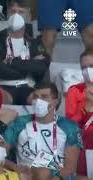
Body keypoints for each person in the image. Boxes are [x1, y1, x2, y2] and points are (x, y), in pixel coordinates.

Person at [4, 82, 83, 179]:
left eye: (44, 97)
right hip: (27, 175)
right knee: (41, 172)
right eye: (36, 97)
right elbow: (0, 154)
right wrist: (15, 168)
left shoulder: (69, 127)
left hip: (58, 177)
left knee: (43, 172)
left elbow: (70, 168)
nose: (38, 100)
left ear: (55, 101)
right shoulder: (19, 123)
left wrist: (55, 177)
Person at [0, 0, 50, 105]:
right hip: (2, 87)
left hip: (27, 88)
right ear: (7, 14)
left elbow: (41, 67)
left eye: (21, 12)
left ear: (28, 16)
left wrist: (10, 62)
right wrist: (29, 64)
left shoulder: (34, 42)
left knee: (49, 99)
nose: (16, 16)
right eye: (13, 11)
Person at [65, 50, 93, 179]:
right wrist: (85, 107)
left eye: (91, 66)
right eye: (84, 67)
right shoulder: (74, 91)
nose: (88, 70)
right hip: (84, 143)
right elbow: (70, 125)